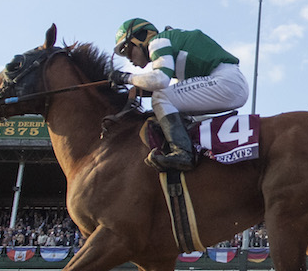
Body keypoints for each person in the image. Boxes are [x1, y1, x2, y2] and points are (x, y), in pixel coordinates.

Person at [107, 17, 249, 171]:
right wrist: (136, 89)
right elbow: (168, 86)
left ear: (141, 38)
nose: (128, 58)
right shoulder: (170, 42)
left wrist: (125, 78)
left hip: (226, 81)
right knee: (166, 101)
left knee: (162, 98)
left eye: (127, 50)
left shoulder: (158, 42)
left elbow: (160, 80)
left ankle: (182, 153)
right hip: (229, 82)